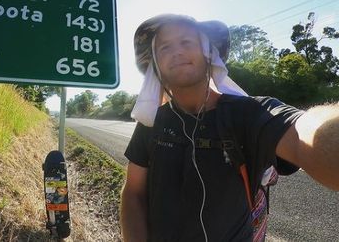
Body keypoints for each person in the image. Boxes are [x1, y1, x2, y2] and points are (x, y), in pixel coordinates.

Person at [120, 14, 339, 242]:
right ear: (155, 64)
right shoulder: (151, 124)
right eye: (165, 47)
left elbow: (307, 135)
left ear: (209, 52)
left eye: (186, 41)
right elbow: (134, 192)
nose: (177, 51)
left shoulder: (251, 113)